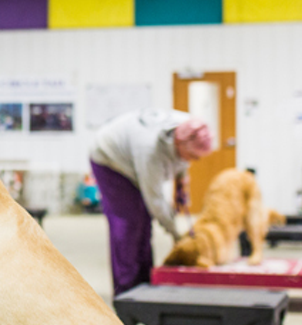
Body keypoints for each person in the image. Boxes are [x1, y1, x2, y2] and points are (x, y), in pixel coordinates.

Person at [88, 109, 214, 297]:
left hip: (133, 154)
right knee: (129, 223)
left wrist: (181, 182)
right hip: (110, 158)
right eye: (193, 156)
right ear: (179, 143)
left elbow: (182, 162)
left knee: (145, 223)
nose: (193, 161)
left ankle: (145, 282)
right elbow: (155, 200)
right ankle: (126, 291)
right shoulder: (150, 150)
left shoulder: (189, 126)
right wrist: (177, 234)